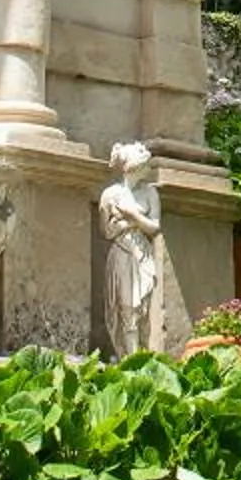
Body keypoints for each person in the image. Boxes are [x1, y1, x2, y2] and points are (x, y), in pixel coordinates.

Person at [97, 141, 165, 356]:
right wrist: (128, 223)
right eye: (145, 165)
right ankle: (129, 358)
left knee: (142, 308)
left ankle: (138, 355)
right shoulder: (110, 194)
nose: (149, 169)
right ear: (134, 167)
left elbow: (154, 226)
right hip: (122, 251)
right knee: (127, 307)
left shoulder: (150, 193)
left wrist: (132, 215)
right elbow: (105, 231)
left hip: (142, 253)